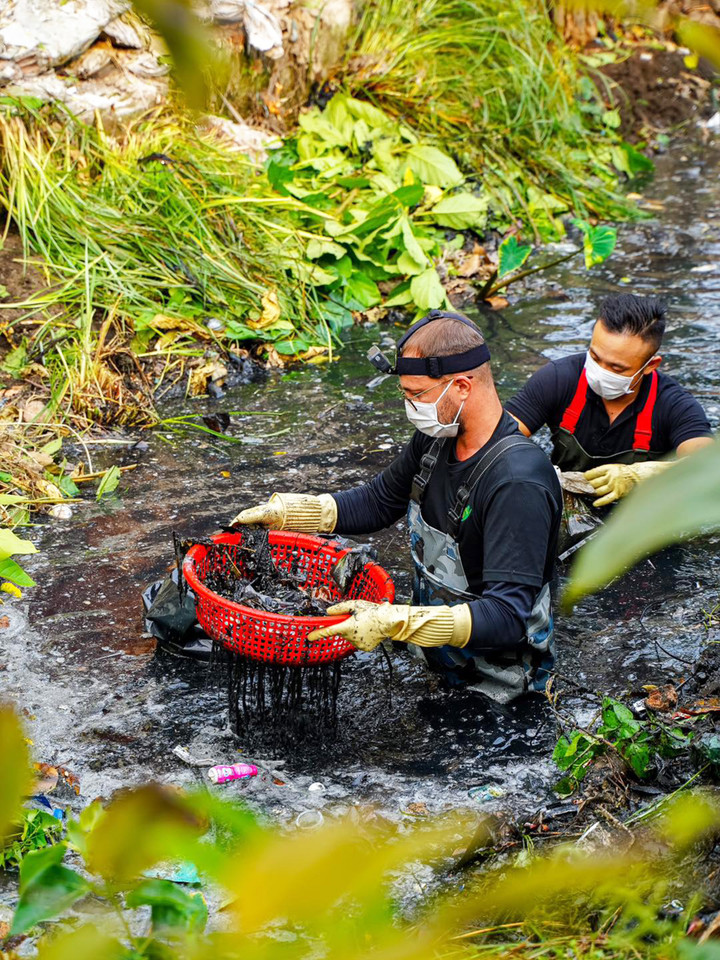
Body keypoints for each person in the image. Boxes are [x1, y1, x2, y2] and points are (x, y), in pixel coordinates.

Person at [232, 311, 563, 702]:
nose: (410, 406)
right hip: (438, 658)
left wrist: (397, 622)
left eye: (416, 394)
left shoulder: (517, 481)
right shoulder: (436, 439)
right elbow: (379, 501)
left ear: (461, 386)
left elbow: (507, 616)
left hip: (498, 688)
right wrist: (291, 512)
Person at [505, 294, 713, 507]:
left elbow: (709, 467)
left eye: (617, 368)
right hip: (566, 505)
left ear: (650, 366)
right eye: (595, 357)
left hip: (640, 515)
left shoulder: (674, 405)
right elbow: (497, 439)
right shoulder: (558, 379)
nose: (600, 372)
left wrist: (640, 475)